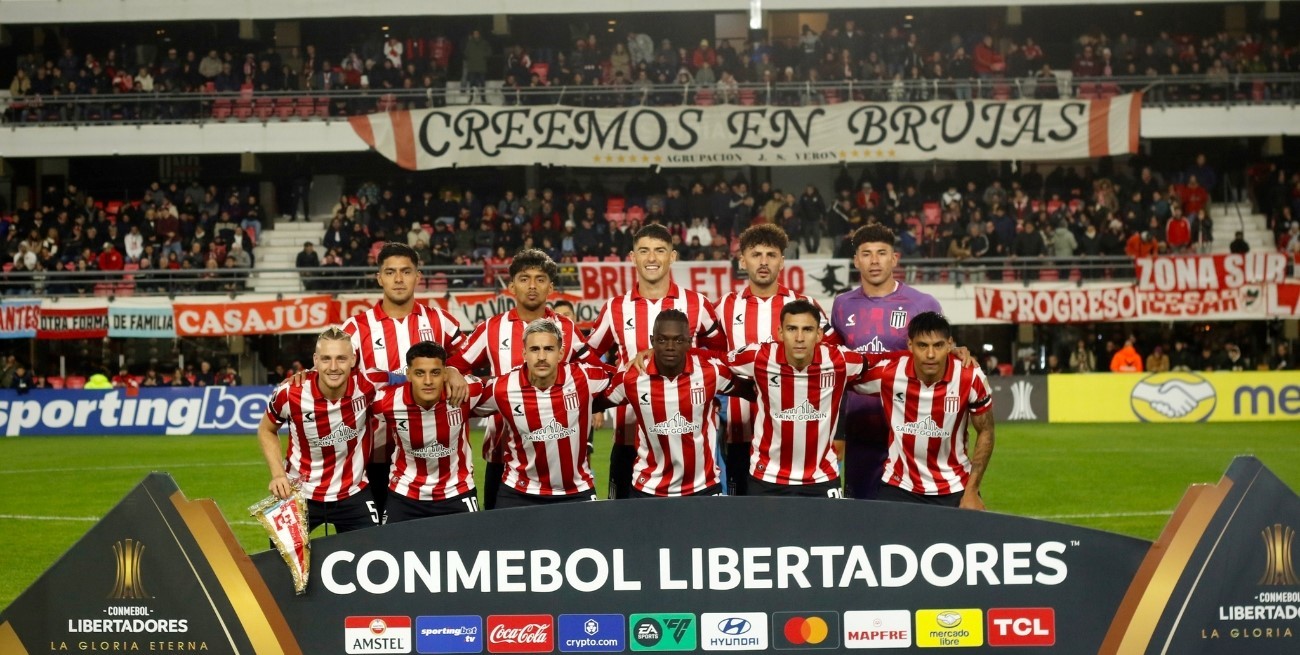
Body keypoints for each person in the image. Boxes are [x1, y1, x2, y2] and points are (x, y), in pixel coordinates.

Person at [576, 224, 721, 499]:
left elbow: (719, 355)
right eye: (644, 251)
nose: (652, 258)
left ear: (673, 256)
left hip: (689, 437)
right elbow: (588, 358)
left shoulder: (696, 304)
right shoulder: (615, 307)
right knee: (625, 528)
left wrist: (690, 357)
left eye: (659, 251)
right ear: (633, 257)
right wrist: (619, 374)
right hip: (628, 438)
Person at [340, 242, 468, 520]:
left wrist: (455, 370)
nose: (398, 279)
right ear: (379, 278)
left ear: (417, 276)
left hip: (432, 457)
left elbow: (470, 363)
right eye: (390, 272)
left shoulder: (441, 322)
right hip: (371, 454)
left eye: (406, 272)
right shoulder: (355, 328)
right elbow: (332, 373)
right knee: (380, 543)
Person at [448, 249, 582, 509]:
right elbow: (456, 365)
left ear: (550, 287)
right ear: (511, 286)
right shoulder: (492, 328)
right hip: (501, 453)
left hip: (557, 452)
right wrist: (452, 372)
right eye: (524, 278)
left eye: (540, 279)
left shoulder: (566, 327)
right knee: (500, 537)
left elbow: (592, 370)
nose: (532, 286)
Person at [711, 224, 831, 495]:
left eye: (771, 254)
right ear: (743, 261)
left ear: (782, 261)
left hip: (797, 433)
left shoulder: (805, 306)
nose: (763, 262)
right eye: (756, 254)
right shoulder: (723, 307)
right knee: (744, 516)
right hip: (740, 431)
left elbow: (832, 359)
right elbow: (708, 360)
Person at [830, 223, 942, 500]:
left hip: (910, 430)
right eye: (866, 254)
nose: (874, 260)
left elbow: (940, 359)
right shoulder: (842, 305)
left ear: (894, 258)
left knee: (912, 516)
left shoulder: (923, 303)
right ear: (856, 260)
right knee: (861, 516)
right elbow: (838, 371)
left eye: (881, 253)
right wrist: (839, 430)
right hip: (861, 429)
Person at [724, 301, 875, 498]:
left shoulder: (840, 360)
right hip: (767, 476)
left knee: (826, 531)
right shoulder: (758, 357)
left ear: (819, 335)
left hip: (821, 478)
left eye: (808, 329)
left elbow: (878, 364)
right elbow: (715, 362)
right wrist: (745, 390)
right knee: (765, 531)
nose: (799, 338)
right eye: (792, 329)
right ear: (780, 332)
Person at [852, 312, 994, 509]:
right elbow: (839, 371)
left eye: (938, 345)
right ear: (910, 345)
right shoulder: (890, 374)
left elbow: (986, 431)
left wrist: (971, 491)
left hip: (955, 487)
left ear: (950, 345)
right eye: (922, 346)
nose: (930, 354)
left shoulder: (970, 376)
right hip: (899, 486)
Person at [604, 310, 751, 497]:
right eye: (662, 340)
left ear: (689, 342)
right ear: (652, 340)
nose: (670, 347)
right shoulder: (631, 378)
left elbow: (754, 391)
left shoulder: (711, 373)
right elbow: (592, 402)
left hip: (703, 488)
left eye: (678, 340)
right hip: (649, 489)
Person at [257, 327, 387, 534]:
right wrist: (278, 475)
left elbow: (412, 377)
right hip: (298, 493)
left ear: (353, 360)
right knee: (282, 564)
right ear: (315, 361)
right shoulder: (290, 393)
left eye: (341, 359)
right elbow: (266, 430)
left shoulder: (369, 386)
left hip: (353, 493)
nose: (333, 367)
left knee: (372, 557)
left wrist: (451, 372)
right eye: (326, 359)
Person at [471, 319, 613, 507]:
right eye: (534, 349)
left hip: (576, 492)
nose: (541, 356)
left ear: (561, 353)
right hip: (518, 492)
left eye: (548, 349)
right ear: (524, 353)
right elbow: (459, 402)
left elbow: (629, 380)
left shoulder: (585, 378)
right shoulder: (503, 388)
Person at [371, 342, 480, 522]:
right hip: (404, 494)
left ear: (445, 373)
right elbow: (362, 381)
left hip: (457, 492)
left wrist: (454, 370)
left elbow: (504, 387)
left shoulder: (467, 392)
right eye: (420, 373)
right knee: (391, 548)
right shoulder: (385, 402)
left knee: (469, 549)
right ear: (408, 374)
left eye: (435, 373)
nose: (428, 381)